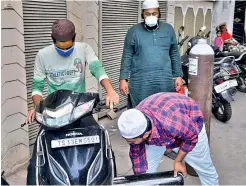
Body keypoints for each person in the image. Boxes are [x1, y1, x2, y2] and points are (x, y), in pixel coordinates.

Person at [25, 19, 119, 184]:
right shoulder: (43, 55)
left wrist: (110, 90)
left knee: (101, 143)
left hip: (80, 108)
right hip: (54, 110)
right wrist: (38, 107)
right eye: (61, 47)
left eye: (69, 46)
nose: (65, 50)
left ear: (74, 38)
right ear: (53, 40)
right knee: (38, 154)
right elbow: (37, 88)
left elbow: (97, 68)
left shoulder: (84, 49)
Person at [117, 92, 219, 185]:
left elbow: (191, 138)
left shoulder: (172, 123)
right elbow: (137, 157)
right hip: (160, 129)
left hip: (190, 125)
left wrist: (178, 161)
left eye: (131, 141)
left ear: (146, 134)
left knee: (204, 168)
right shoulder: (134, 124)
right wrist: (141, 179)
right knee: (146, 173)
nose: (129, 143)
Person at [119, 0, 183, 108]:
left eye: (154, 13)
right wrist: (123, 79)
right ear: (142, 14)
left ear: (159, 14)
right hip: (141, 83)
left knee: (164, 111)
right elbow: (127, 56)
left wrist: (178, 76)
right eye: (147, 14)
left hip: (164, 81)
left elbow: (174, 54)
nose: (151, 16)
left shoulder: (168, 29)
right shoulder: (133, 31)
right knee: (141, 113)